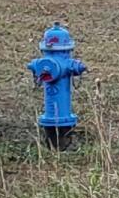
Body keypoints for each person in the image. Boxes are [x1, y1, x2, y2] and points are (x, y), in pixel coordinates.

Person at [27, 22, 86, 150]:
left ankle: (53, 144)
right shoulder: (66, 64)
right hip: (64, 117)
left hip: (55, 117)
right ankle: (63, 142)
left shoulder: (58, 65)